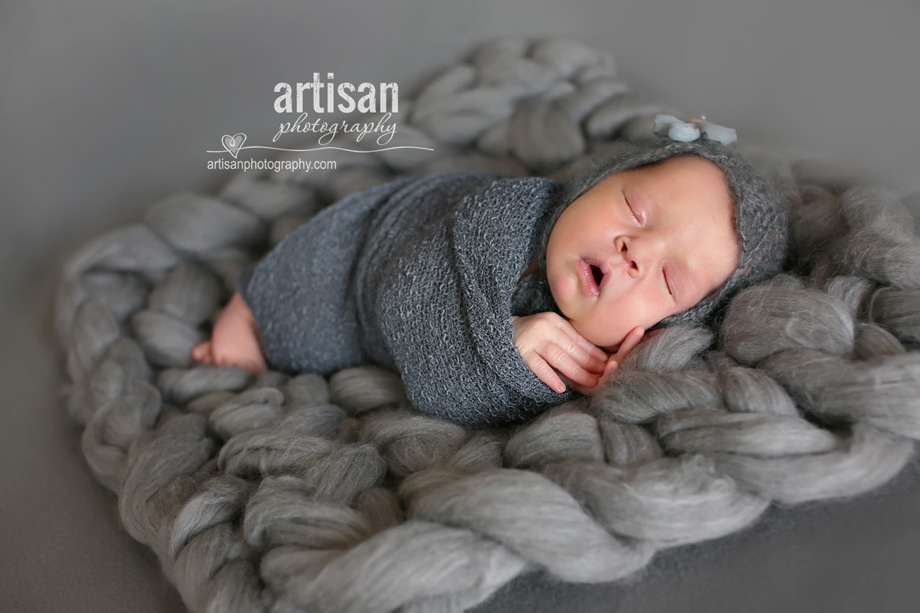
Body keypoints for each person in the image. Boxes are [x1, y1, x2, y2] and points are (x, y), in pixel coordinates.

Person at [192, 122, 788, 427]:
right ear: (592, 184)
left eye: (669, 282)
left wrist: (618, 374)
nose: (636, 251)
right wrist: (505, 343)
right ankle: (247, 308)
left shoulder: (613, 341)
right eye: (635, 210)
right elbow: (414, 318)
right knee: (304, 327)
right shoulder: (501, 219)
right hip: (364, 259)